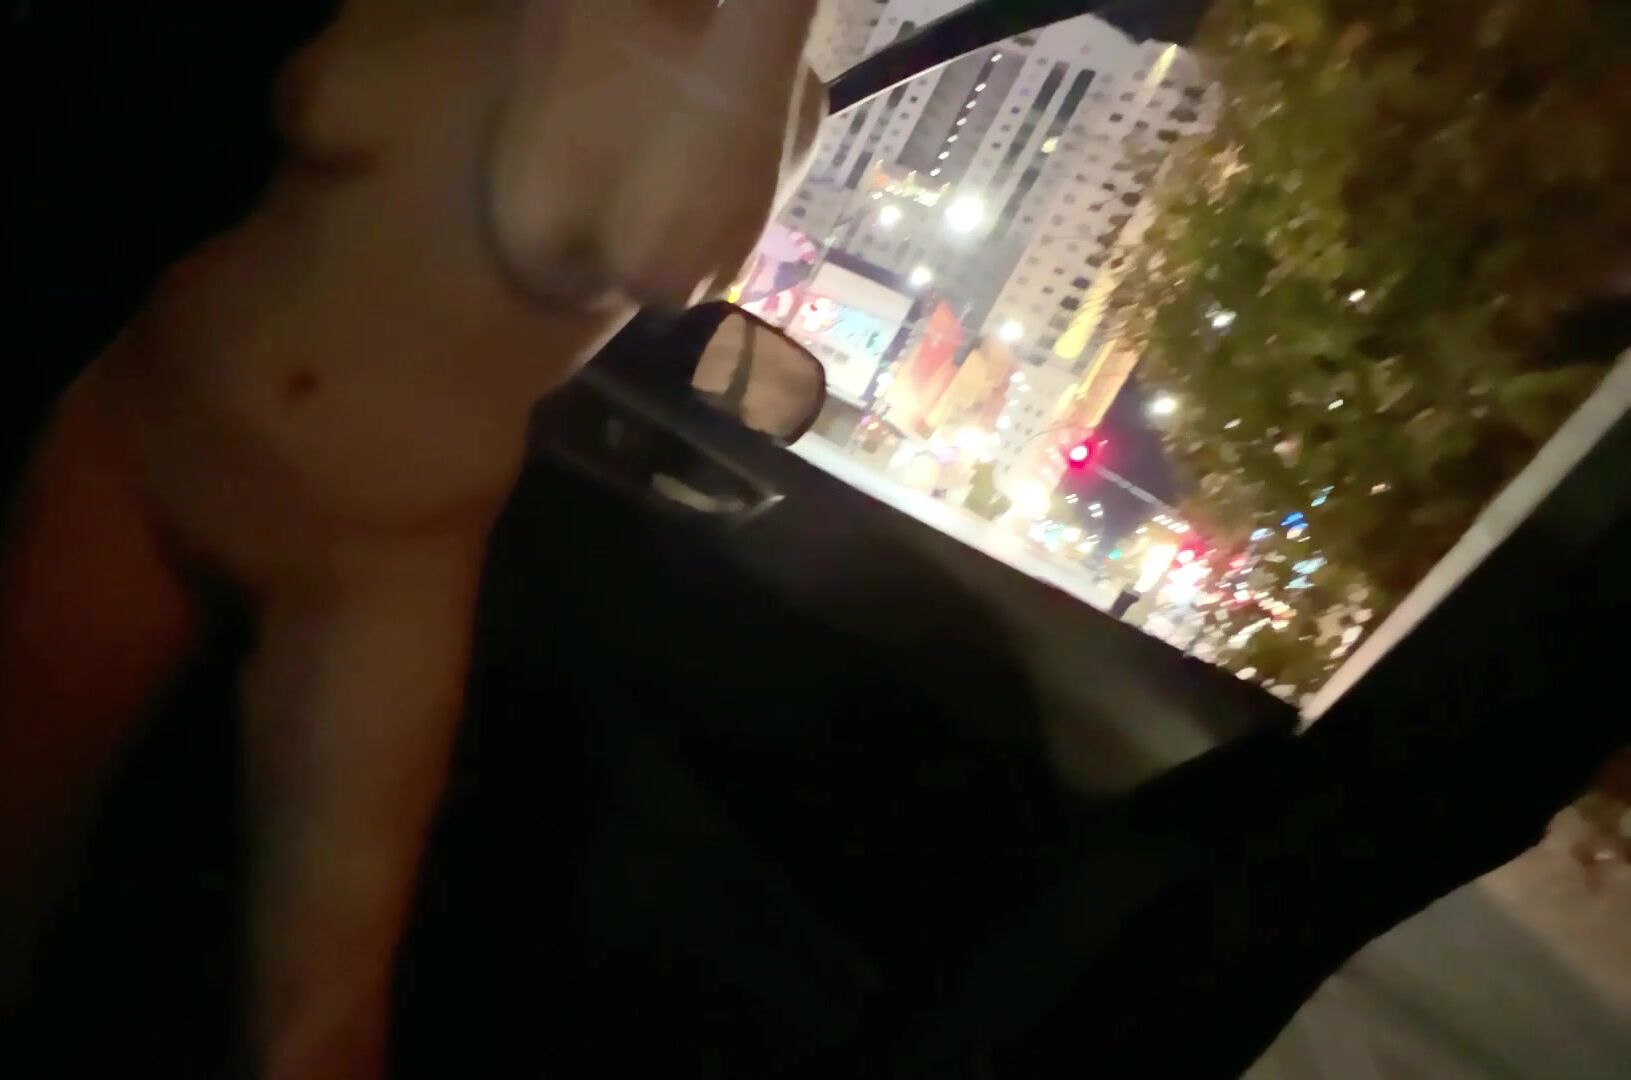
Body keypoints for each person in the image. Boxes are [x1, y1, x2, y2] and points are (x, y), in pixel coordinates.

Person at [0, 2, 824, 1075]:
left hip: (378, 564)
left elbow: (669, 250)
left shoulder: (760, 95)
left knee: (323, 1016)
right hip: (150, 432)